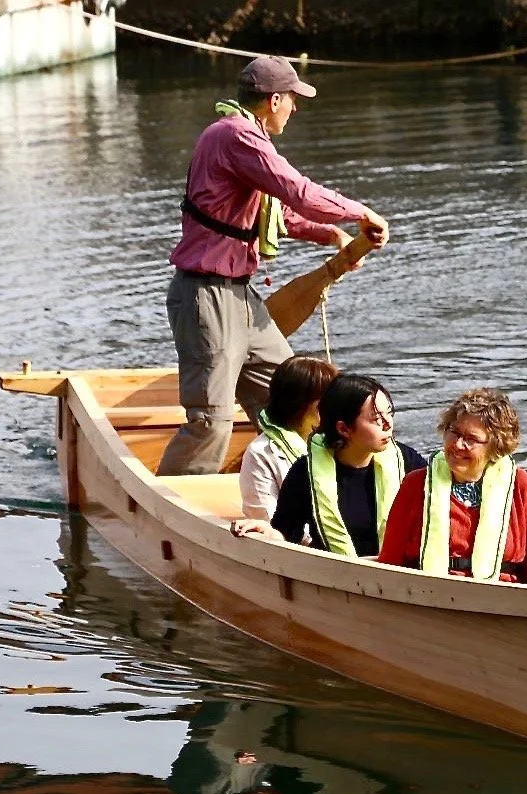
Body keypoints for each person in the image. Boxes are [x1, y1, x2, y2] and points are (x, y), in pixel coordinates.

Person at [157, 54, 390, 477]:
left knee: (297, 402)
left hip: (240, 296)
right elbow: (298, 191)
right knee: (211, 421)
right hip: (206, 296)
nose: (296, 109)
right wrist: (359, 213)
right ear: (275, 99)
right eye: (292, 100)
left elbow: (280, 213)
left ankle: (303, 490)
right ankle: (170, 505)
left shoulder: (245, 138)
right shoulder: (237, 136)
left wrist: (331, 235)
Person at [231, 374, 425, 557]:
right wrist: (267, 532)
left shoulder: (408, 461)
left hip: (399, 574)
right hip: (334, 575)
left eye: (389, 413)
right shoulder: (305, 472)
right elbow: (287, 534)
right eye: (376, 419)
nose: (388, 424)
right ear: (344, 428)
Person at [377, 388, 527, 584]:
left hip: (502, 599)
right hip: (427, 597)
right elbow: (389, 561)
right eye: (454, 432)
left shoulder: (520, 484)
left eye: (471, 439)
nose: (458, 445)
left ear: (495, 447)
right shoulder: (415, 484)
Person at [239, 355, 338, 521]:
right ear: (299, 403)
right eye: (327, 399)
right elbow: (267, 520)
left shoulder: (344, 441)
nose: (336, 405)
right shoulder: (261, 453)